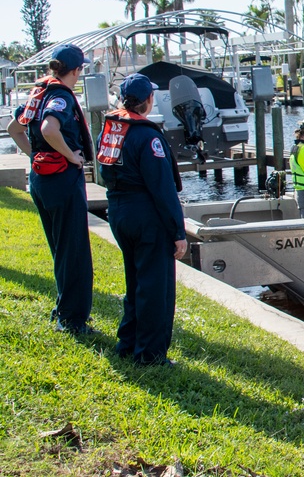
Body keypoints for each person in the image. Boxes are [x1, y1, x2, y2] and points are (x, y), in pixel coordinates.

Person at [97, 74, 186, 365]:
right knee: (155, 287)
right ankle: (150, 354)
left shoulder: (112, 130)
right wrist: (177, 231)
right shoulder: (147, 136)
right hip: (146, 215)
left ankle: (128, 342)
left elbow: (104, 172)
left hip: (120, 211)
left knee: (135, 281)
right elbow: (163, 189)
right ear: (148, 100)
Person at [7, 44, 95, 334]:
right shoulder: (59, 96)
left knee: (60, 249)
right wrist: (71, 154)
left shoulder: (38, 92)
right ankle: (71, 320)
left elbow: (14, 129)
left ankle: (64, 308)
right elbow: (48, 129)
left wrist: (34, 155)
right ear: (76, 71)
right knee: (74, 251)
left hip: (41, 181)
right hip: (62, 181)